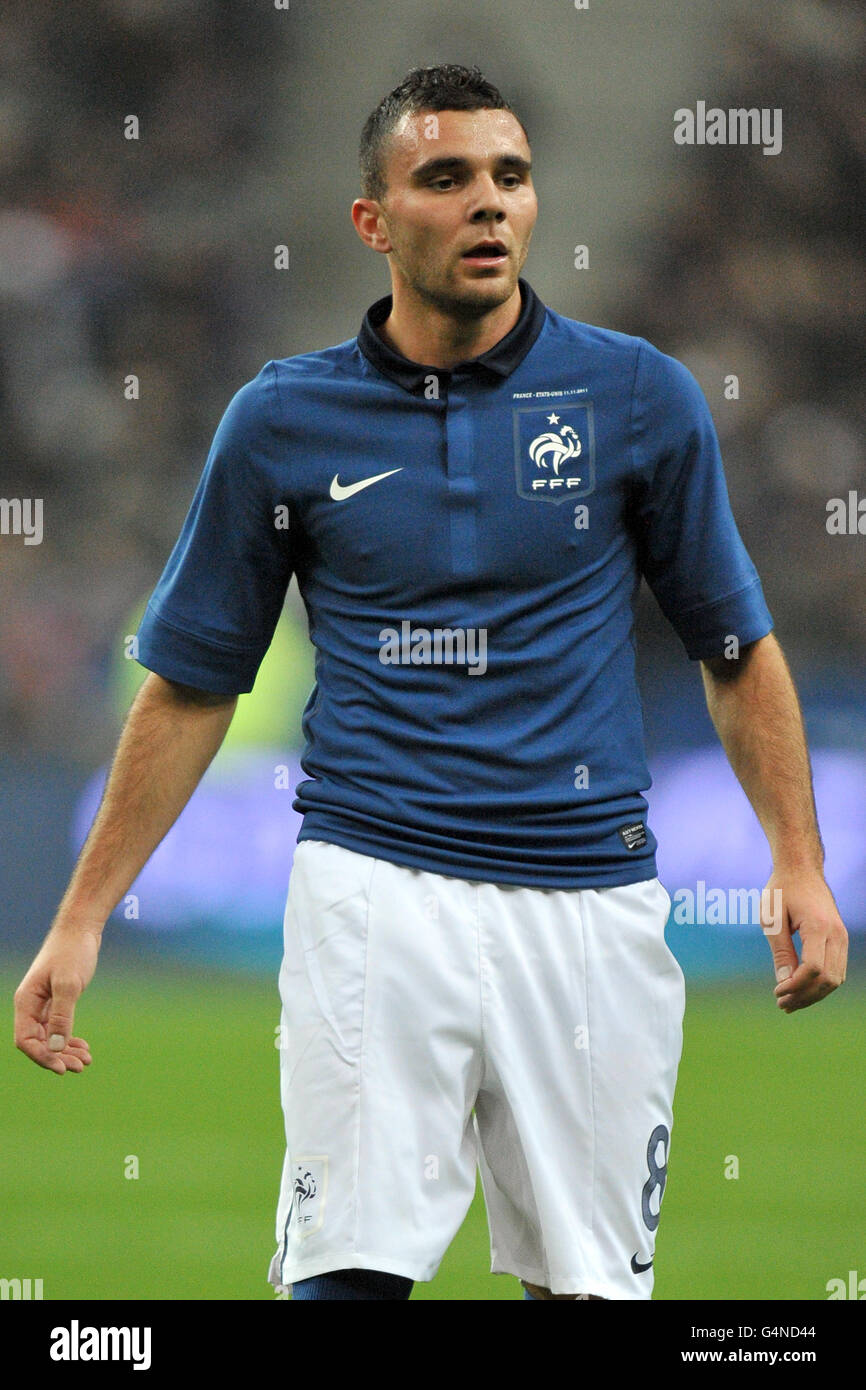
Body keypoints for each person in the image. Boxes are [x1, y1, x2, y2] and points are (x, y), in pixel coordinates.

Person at [14, 64, 848, 1302]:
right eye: (445, 178)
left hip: (588, 904)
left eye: (508, 178)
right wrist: (83, 916)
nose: (486, 205)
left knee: (590, 1292)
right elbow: (192, 685)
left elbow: (735, 649)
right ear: (372, 219)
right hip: (370, 886)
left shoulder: (636, 399)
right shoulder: (281, 420)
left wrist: (797, 859)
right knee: (342, 1280)